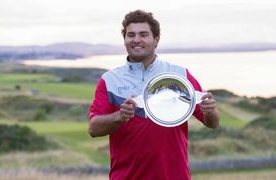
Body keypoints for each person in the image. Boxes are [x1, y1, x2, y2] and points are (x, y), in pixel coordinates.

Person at [89, 9, 219, 180]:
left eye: (143, 34)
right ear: (125, 40)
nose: (136, 40)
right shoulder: (109, 80)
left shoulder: (180, 75)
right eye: (131, 35)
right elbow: (93, 129)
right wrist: (119, 116)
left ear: (156, 40)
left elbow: (212, 123)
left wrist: (210, 111)